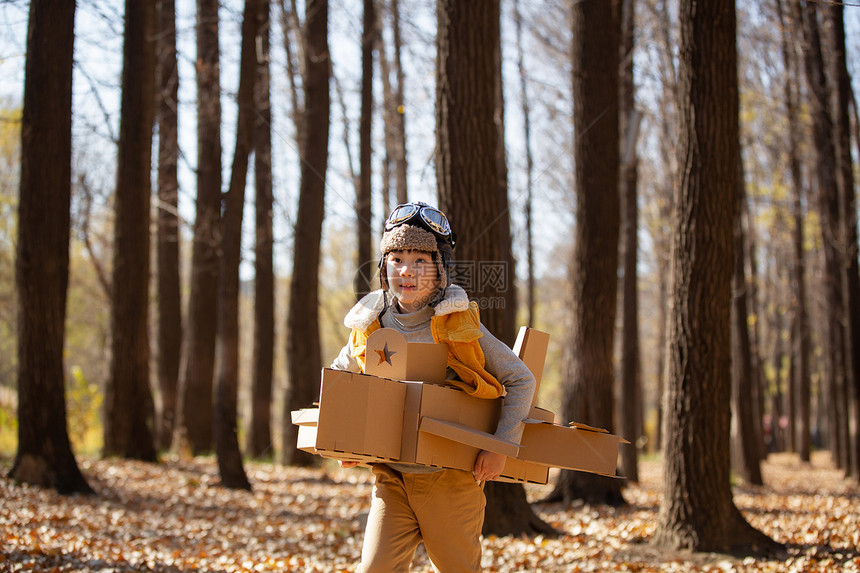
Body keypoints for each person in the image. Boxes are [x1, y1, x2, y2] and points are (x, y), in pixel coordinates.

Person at [331, 202, 536, 572]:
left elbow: (521, 379)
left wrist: (500, 447)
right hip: (391, 479)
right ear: (384, 266)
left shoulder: (457, 324)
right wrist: (345, 440)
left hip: (451, 480)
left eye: (420, 260)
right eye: (396, 259)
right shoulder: (369, 325)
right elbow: (338, 382)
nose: (407, 271)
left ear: (439, 268)